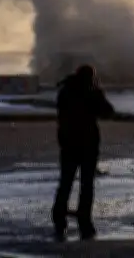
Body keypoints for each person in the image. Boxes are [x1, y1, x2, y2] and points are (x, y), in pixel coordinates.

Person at [51, 64, 115, 241]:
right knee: (86, 185)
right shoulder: (92, 92)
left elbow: (61, 115)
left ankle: (59, 217)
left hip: (68, 143)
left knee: (65, 182)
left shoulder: (65, 91)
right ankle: (84, 219)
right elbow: (108, 112)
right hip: (87, 144)